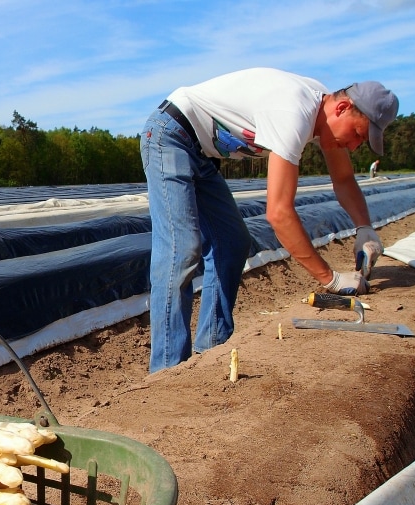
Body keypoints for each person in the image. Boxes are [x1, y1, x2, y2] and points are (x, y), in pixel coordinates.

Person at [140, 67, 398, 373]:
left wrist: (365, 228)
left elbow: (343, 179)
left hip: (201, 153)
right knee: (180, 248)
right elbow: (279, 213)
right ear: (341, 108)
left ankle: (210, 350)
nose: (355, 146)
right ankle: (167, 371)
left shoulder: (322, 110)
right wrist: (330, 279)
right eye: (357, 134)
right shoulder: (294, 112)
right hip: (171, 135)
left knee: (232, 243)